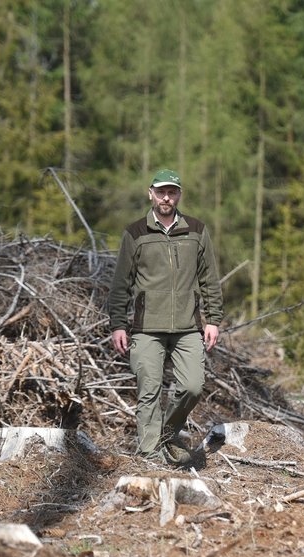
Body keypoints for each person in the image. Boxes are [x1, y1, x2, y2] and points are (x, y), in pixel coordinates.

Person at [107, 169, 224, 465]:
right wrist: (118, 325)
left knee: (193, 386)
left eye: (172, 192)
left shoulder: (197, 230)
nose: (166, 197)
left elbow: (210, 278)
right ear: (151, 193)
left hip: (188, 327)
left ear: (179, 195)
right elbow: (121, 282)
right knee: (149, 391)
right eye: (161, 192)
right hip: (147, 327)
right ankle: (149, 456)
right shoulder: (135, 233)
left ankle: (167, 433)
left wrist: (213, 319)